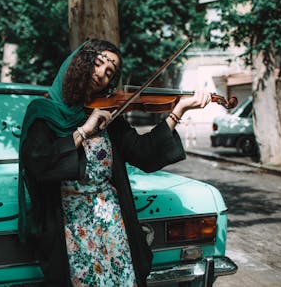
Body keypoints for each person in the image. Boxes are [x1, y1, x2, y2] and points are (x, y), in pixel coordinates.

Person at [17, 39, 212, 287]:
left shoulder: (110, 114)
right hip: (68, 227)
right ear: (80, 63)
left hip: (112, 224)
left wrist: (179, 110)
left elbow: (144, 153)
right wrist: (83, 131)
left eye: (110, 72)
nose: (102, 74)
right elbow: (38, 164)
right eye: (99, 63)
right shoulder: (44, 112)